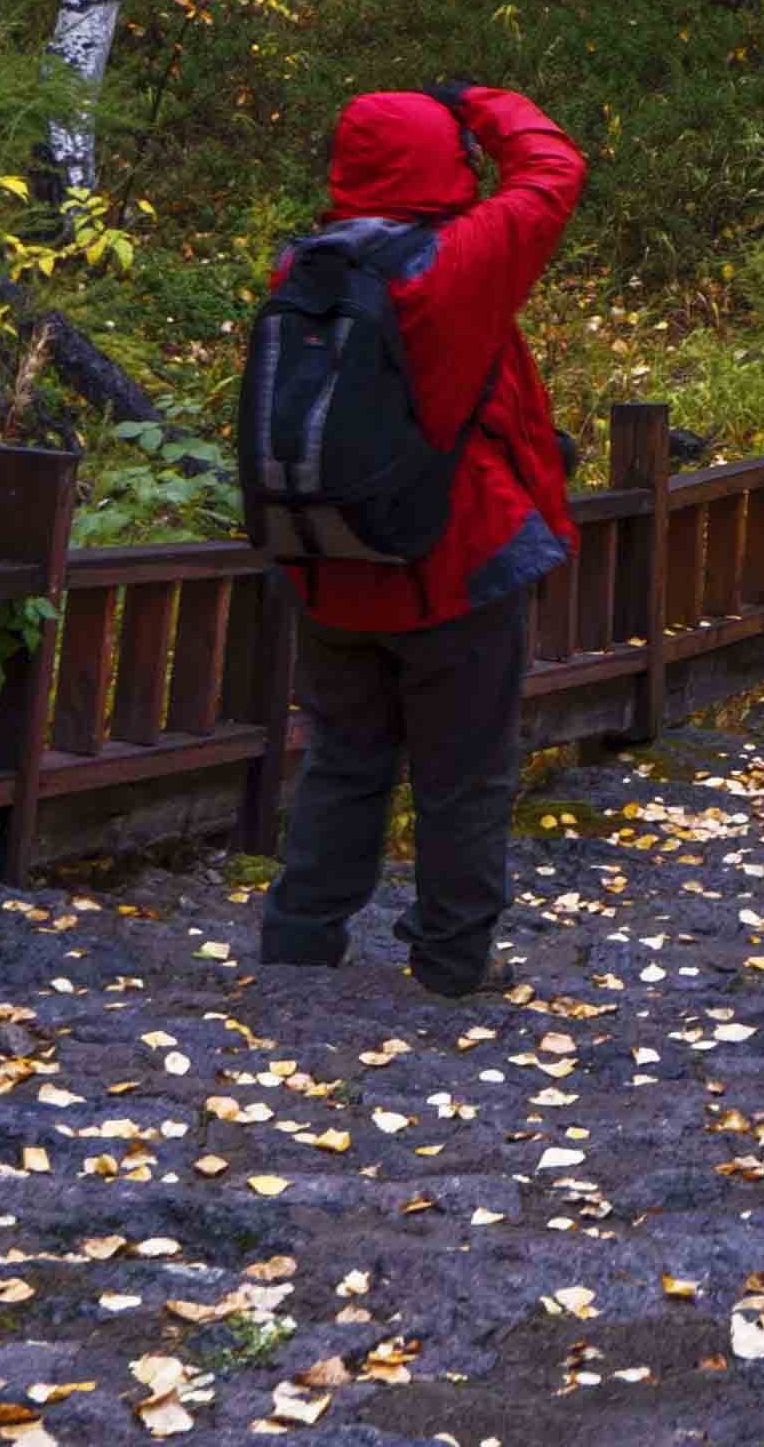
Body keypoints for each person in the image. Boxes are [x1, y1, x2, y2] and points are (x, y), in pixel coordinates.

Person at [253, 82, 584, 994]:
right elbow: (554, 171)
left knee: (345, 758)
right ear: (446, 160)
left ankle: (300, 941)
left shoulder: (306, 267)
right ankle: (450, 961)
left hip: (330, 562)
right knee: (465, 773)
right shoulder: (456, 264)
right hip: (453, 566)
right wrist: (480, 99)